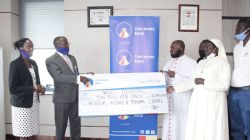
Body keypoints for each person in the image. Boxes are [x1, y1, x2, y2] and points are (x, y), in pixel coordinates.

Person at [167, 39, 230, 140]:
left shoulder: (223, 64)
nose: (202, 49)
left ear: (214, 48)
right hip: (198, 101)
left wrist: (204, 82)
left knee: (211, 128)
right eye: (201, 47)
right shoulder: (201, 62)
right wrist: (175, 88)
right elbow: (193, 82)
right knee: (198, 128)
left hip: (213, 102)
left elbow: (224, 85)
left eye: (205, 46)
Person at [46, 36, 90, 140]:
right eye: (64, 44)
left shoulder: (72, 58)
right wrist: (79, 78)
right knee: (61, 127)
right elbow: (59, 77)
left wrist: (86, 75)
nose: (67, 45)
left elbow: (75, 74)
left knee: (76, 126)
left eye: (67, 43)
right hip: (62, 99)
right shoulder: (50, 60)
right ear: (56, 46)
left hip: (75, 97)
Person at [9, 38, 45, 140]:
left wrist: (41, 89)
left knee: (31, 133)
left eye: (32, 46)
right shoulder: (15, 64)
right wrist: (33, 88)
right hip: (21, 106)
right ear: (21, 49)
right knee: (24, 134)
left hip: (33, 104)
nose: (31, 48)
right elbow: (13, 89)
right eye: (29, 46)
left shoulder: (34, 63)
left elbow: (37, 82)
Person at [161, 40, 197, 140]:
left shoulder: (191, 63)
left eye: (173, 48)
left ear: (181, 49)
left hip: (183, 99)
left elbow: (193, 82)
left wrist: (176, 75)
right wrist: (162, 75)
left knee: (181, 124)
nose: (170, 50)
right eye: (170, 48)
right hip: (169, 99)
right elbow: (166, 80)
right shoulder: (168, 62)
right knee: (169, 122)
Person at [228, 18, 250, 140]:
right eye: (237, 28)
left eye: (240, 28)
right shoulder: (237, 47)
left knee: (248, 127)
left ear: (248, 30)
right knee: (236, 129)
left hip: (247, 92)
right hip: (233, 91)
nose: (236, 31)